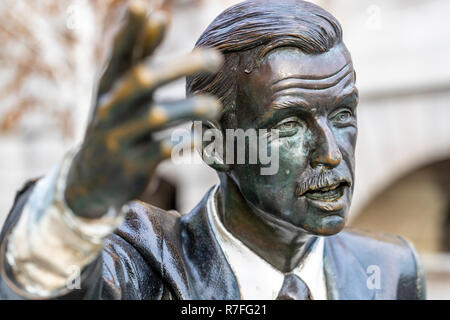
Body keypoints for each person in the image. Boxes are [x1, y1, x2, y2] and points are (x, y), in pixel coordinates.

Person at [0, 0, 425, 299]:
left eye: (343, 116)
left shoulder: (389, 271)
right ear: (216, 144)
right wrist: (76, 207)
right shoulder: (143, 262)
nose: (331, 153)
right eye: (290, 124)